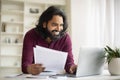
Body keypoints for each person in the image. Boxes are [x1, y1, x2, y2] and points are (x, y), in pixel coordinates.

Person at [22, 6, 77, 75]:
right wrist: (29, 69)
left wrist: (72, 68)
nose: (58, 29)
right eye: (54, 24)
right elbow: (25, 65)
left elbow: (69, 63)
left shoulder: (65, 38)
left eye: (61, 25)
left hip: (57, 77)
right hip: (36, 77)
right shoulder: (30, 35)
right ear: (44, 24)